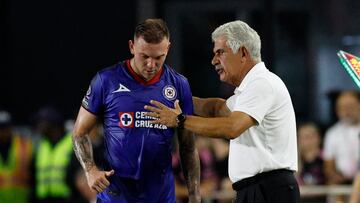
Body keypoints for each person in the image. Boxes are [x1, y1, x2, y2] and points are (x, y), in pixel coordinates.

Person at [144, 20, 299, 203]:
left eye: (220, 52)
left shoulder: (262, 83)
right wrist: (173, 98)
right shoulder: (250, 89)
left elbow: (232, 127)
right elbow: (218, 109)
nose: (214, 60)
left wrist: (179, 120)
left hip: (270, 191)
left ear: (242, 53)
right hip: (256, 190)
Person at [72, 18, 200, 203]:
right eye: (145, 56)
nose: (151, 65)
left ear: (168, 49)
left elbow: (188, 147)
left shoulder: (179, 85)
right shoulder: (105, 80)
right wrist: (90, 170)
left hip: (161, 197)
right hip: (116, 196)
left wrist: (195, 195)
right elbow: (79, 133)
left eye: (158, 57)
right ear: (132, 46)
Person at [30, 106, 82, 203]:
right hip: (43, 200)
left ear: (53, 124)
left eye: (41, 122)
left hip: (67, 199)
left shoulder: (72, 143)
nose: (38, 126)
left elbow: (79, 175)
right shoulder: (41, 146)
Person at [323, 90, 360, 185]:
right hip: (342, 184)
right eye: (342, 108)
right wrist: (337, 178)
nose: (347, 111)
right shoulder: (332, 133)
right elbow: (328, 166)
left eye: (350, 106)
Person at [0, 110, 32, 203]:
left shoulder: (24, 145)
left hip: (20, 199)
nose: (2, 131)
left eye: (4, 127)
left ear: (11, 127)